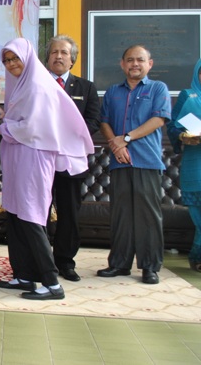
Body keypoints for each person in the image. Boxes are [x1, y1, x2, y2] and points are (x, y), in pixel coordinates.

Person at [0, 38, 93, 300]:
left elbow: (32, 128)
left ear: (28, 58)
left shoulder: (38, 85)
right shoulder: (21, 85)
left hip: (33, 159)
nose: (11, 64)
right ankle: (24, 275)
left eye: (15, 58)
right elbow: (21, 119)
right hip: (18, 157)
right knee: (15, 215)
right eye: (7, 60)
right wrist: (1, 116)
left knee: (31, 216)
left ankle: (52, 283)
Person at [97, 45, 171, 285]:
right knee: (121, 215)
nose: (135, 64)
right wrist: (116, 146)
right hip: (119, 161)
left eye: (140, 60)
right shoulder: (112, 92)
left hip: (147, 160)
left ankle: (150, 267)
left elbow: (158, 119)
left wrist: (126, 138)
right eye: (130, 60)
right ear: (122, 64)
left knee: (148, 216)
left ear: (150, 63)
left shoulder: (158, 88)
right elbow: (104, 122)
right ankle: (119, 264)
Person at [44, 35, 100, 282]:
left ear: (72, 59)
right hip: (41, 159)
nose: (58, 56)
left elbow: (93, 121)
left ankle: (65, 262)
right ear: (47, 58)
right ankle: (41, 260)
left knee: (69, 214)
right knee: (39, 213)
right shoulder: (37, 83)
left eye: (64, 53)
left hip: (72, 160)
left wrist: (68, 136)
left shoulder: (86, 87)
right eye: (54, 52)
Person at [167, 59, 201, 271]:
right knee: (199, 216)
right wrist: (182, 136)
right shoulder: (187, 96)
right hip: (195, 163)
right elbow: (172, 125)